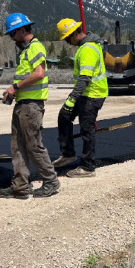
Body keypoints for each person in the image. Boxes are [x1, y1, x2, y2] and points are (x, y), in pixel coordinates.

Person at [0, 13, 60, 199]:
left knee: (33, 145)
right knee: (17, 146)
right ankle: (20, 186)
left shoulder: (35, 47)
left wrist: (15, 86)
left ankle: (50, 181)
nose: (11, 37)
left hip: (32, 107)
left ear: (22, 30)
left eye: (13, 33)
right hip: (22, 104)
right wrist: (14, 92)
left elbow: (39, 73)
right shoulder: (25, 51)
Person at [52, 18, 108, 178]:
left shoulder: (87, 49)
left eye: (68, 38)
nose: (68, 42)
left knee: (86, 128)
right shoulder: (86, 46)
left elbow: (85, 78)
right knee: (64, 116)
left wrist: (71, 99)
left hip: (93, 94)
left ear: (75, 33)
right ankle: (68, 153)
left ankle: (88, 167)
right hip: (85, 93)